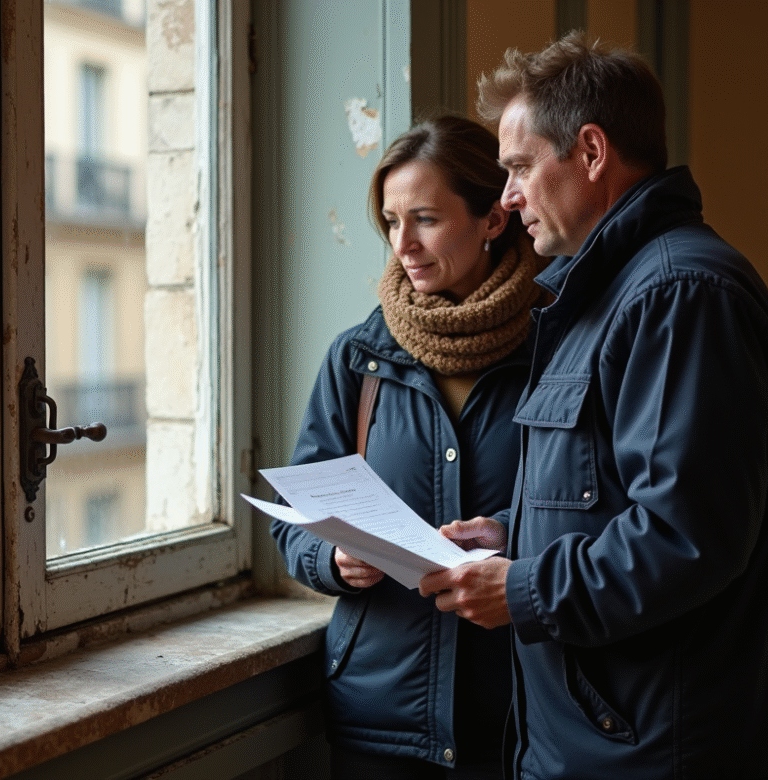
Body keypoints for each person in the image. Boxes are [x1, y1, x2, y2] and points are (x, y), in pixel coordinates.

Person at [419, 32, 768, 779]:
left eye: (521, 168)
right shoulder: (603, 295)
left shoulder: (678, 295)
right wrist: (519, 535)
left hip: (656, 755)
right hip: (602, 745)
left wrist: (523, 585)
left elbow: (683, 539)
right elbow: (625, 497)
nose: (507, 197)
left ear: (591, 153)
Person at [271, 115, 546, 779]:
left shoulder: (556, 349)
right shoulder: (357, 359)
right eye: (391, 223)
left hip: (520, 713)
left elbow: (599, 507)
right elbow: (295, 526)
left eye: (424, 218)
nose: (404, 246)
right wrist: (333, 558)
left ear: (493, 218)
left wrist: (511, 537)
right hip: (379, 722)